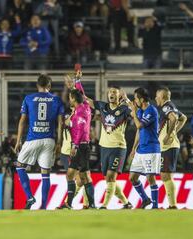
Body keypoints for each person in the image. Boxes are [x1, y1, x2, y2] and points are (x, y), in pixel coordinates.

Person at [71, 78, 132, 209]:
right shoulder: (102, 106)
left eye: (115, 92)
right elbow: (85, 99)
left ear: (119, 95)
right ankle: (126, 203)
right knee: (109, 179)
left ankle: (104, 205)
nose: (112, 94)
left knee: (111, 176)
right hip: (104, 147)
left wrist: (127, 101)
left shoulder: (124, 109)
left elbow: (137, 113)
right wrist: (77, 82)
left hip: (118, 148)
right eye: (110, 91)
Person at [14, 74, 64, 210]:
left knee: (19, 166)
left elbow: (22, 120)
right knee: (45, 173)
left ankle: (30, 197)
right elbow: (61, 122)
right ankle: (43, 206)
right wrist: (59, 142)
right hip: (49, 140)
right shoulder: (57, 100)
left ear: (37, 86)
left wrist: (18, 140)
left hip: (32, 139)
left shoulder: (29, 98)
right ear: (49, 86)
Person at [61, 69, 95, 209]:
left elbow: (79, 131)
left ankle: (76, 203)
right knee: (77, 175)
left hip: (80, 147)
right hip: (84, 146)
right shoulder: (86, 106)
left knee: (80, 176)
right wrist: (77, 82)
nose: (69, 99)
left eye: (70, 97)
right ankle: (72, 203)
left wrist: (74, 146)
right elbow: (82, 95)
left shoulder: (79, 113)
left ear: (73, 99)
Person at [124, 88, 161, 209]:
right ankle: (145, 199)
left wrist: (134, 113)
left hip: (151, 149)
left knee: (150, 177)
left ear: (141, 99)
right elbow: (139, 131)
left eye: (136, 99)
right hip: (141, 150)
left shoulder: (152, 111)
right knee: (132, 178)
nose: (135, 101)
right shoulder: (140, 111)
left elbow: (139, 124)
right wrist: (134, 148)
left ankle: (155, 206)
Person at [155, 87, 187, 209]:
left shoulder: (166, 107)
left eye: (157, 96)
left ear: (162, 96)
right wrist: (174, 131)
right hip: (169, 146)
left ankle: (173, 205)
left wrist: (169, 135)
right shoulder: (171, 106)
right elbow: (183, 118)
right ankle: (172, 204)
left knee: (165, 175)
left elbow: (174, 118)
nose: (155, 98)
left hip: (169, 146)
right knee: (167, 175)